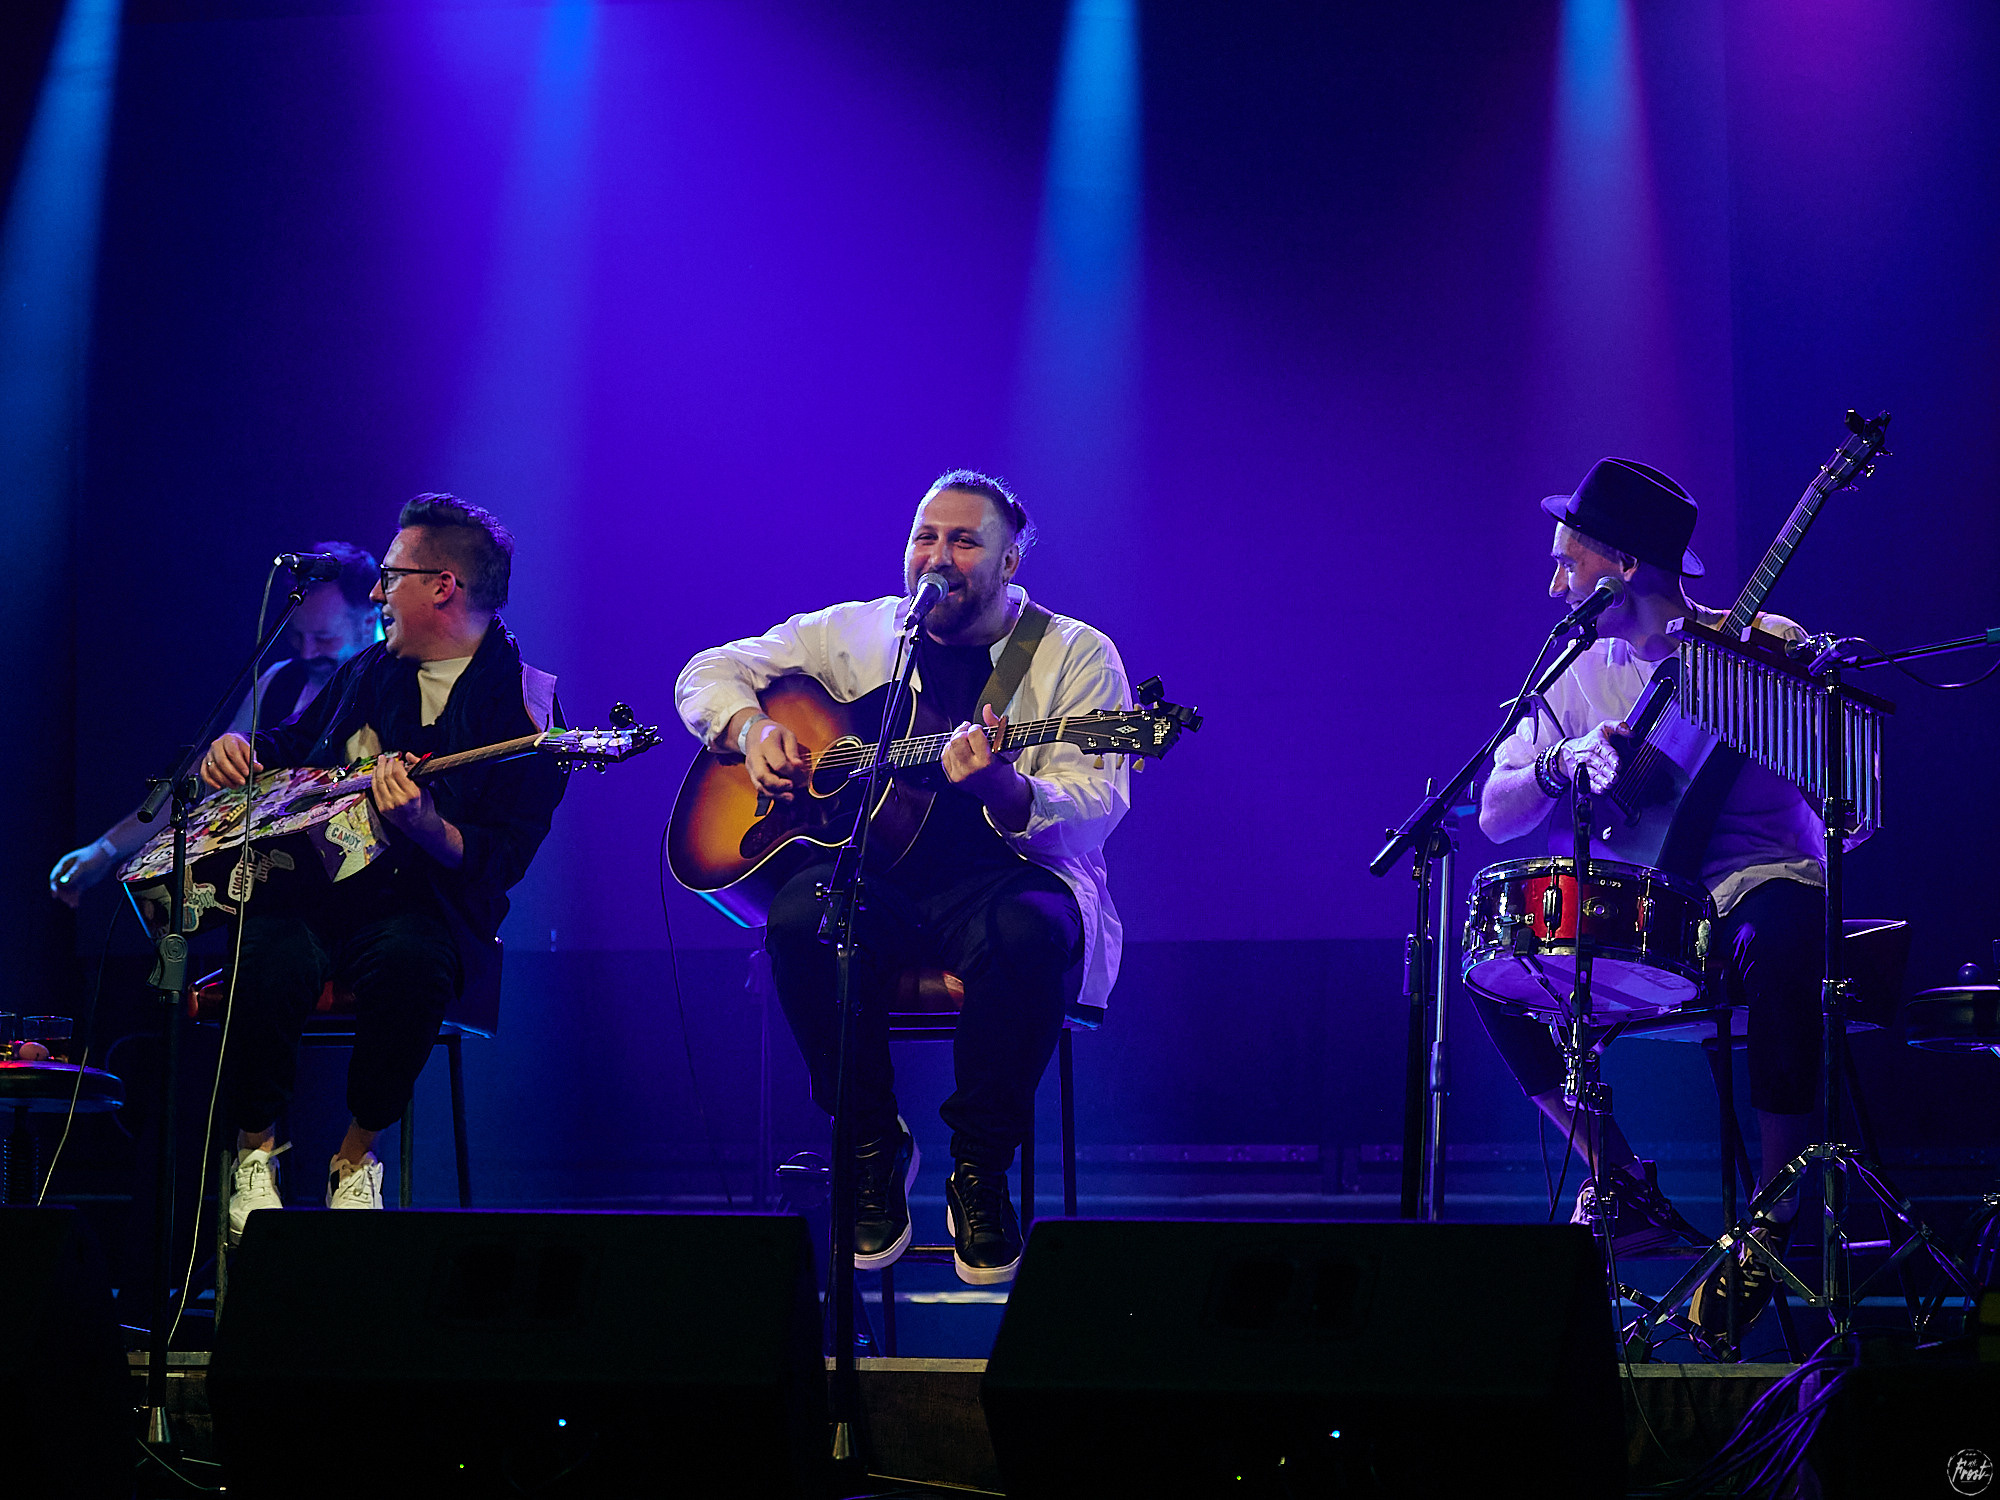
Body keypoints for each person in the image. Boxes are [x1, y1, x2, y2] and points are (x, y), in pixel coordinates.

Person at [675, 470, 1131, 1285]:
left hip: (1002, 878)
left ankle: (980, 1169)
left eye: (964, 542)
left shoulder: (1074, 655)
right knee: (801, 922)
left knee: (1031, 931)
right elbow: (706, 671)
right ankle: (869, 1145)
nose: (938, 557)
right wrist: (750, 730)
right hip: (874, 877)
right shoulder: (854, 632)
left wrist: (1005, 788)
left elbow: (1097, 804)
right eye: (926, 537)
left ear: (1011, 561)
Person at [1473, 457, 1826, 1347]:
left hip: (1758, 882)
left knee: (1784, 935)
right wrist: (1560, 761)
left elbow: (1835, 780)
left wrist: (1800, 685)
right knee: (1496, 971)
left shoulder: (1761, 641)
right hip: (1651, 908)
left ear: (1625, 564)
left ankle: (1775, 1212)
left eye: (1568, 563)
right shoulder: (1575, 672)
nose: (1555, 585)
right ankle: (1618, 1174)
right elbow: (1493, 812)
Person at [200, 496, 565, 1236]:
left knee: (411, 964)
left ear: (442, 587)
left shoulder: (527, 710)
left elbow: (501, 859)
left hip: (423, 907)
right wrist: (243, 752)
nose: (375, 592)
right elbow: (295, 745)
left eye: (391, 576)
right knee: (264, 950)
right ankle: (254, 1152)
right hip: (315, 895)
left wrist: (426, 827)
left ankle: (356, 1156)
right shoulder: (369, 669)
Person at [48, 542, 382, 906]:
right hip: (274, 897)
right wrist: (104, 850)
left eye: (324, 638)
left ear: (369, 620)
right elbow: (201, 780)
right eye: (296, 636)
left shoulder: (390, 682)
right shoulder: (277, 680)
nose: (307, 652)